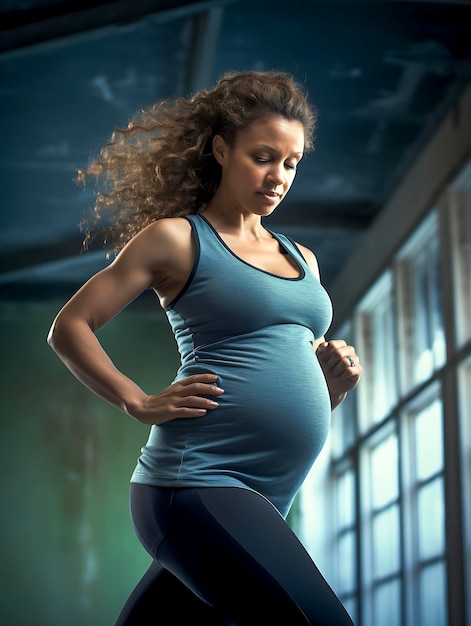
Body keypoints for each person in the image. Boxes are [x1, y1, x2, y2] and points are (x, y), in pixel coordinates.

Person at [47, 69, 362, 625]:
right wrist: (136, 401)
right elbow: (70, 326)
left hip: (266, 498)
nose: (279, 176)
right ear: (221, 149)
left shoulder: (302, 258)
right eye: (263, 157)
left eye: (291, 163)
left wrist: (326, 388)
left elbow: (276, 371)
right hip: (198, 484)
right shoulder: (178, 238)